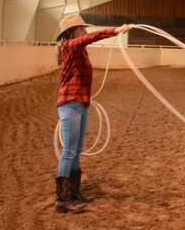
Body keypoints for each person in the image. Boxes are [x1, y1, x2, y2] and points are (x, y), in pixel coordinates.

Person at [54, 14, 133, 213]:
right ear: (71, 33)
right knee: (69, 150)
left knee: (76, 149)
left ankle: (73, 193)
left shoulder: (78, 50)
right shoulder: (70, 46)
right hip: (71, 103)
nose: (85, 31)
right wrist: (115, 30)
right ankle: (62, 199)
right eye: (81, 29)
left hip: (80, 103)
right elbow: (90, 38)